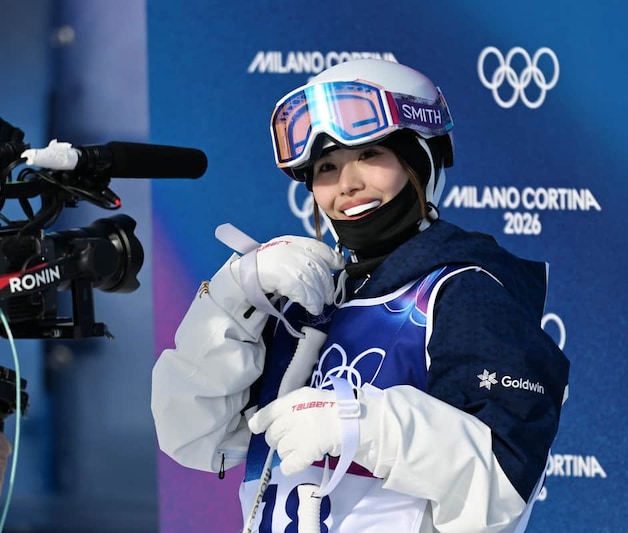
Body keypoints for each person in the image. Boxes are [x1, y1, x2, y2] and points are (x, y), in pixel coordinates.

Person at [151, 58, 570, 532]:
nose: (346, 185)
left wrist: (361, 427)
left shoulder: (462, 291)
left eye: (369, 155)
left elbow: (501, 486)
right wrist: (234, 298)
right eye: (326, 166)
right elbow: (191, 434)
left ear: (419, 159)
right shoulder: (303, 297)